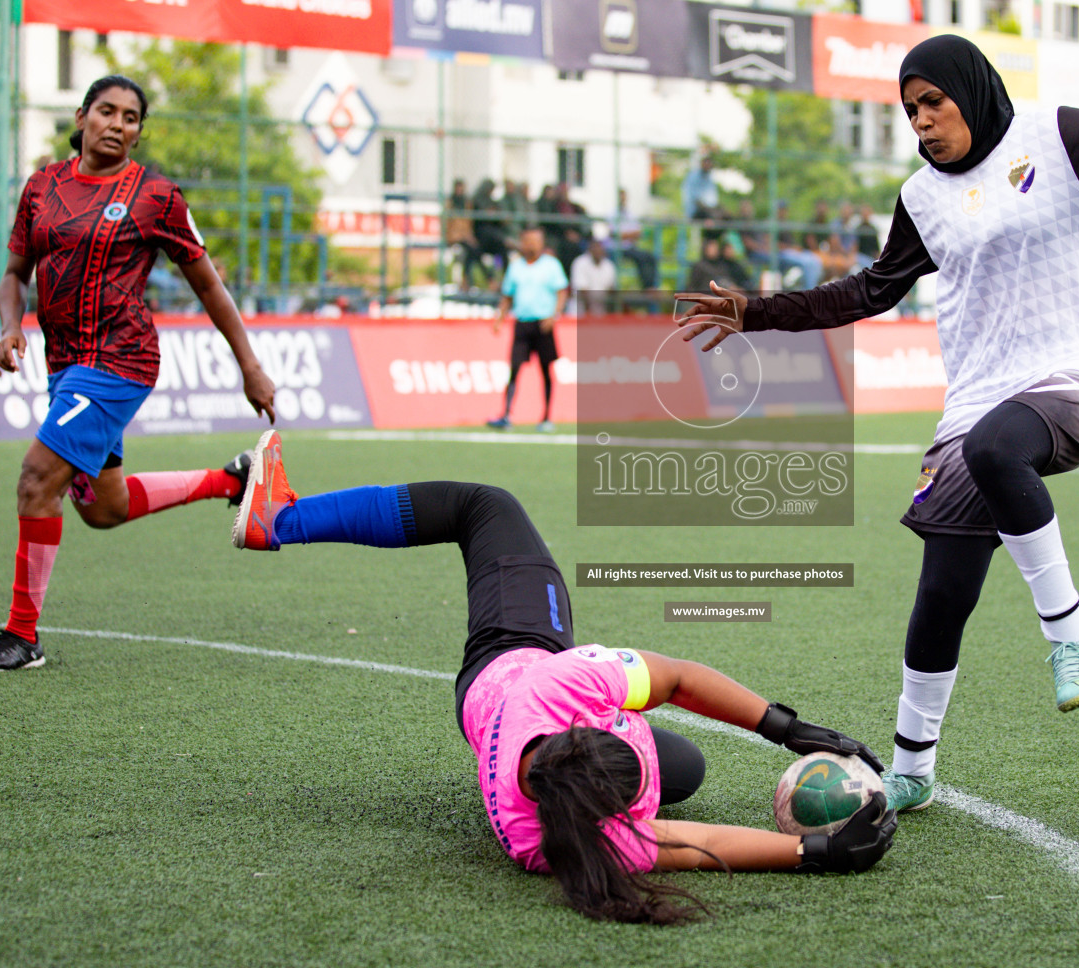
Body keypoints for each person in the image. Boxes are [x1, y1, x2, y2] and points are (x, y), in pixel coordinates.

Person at [679, 0, 1079, 812]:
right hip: (976, 400)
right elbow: (869, 292)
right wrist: (757, 313)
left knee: (995, 450)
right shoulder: (920, 198)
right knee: (942, 591)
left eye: (933, 103)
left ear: (970, 91)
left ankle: (1074, 642)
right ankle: (913, 768)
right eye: (910, 111)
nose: (922, 122)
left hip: (1076, 380)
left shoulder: (1056, 135)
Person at [229, 430, 898, 923]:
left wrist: (792, 736)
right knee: (685, 770)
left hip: (513, 655)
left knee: (484, 506)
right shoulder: (562, 828)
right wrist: (814, 848)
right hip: (485, 710)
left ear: (580, 734)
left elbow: (680, 684)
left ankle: (284, 518)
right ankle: (274, 520)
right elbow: (694, 844)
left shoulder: (561, 697)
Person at [0, 74, 277, 672]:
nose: (118, 124)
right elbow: (14, 273)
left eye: (131, 117)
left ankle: (21, 636)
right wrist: (9, 328)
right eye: (106, 112)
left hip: (120, 361)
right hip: (66, 367)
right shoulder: (43, 187)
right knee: (101, 508)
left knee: (37, 481)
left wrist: (250, 365)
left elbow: (206, 282)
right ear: (81, 118)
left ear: (138, 132)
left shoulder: (156, 196)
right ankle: (232, 480)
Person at [488, 226, 568, 432]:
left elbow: (562, 292)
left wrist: (554, 314)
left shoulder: (551, 265)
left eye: (535, 240)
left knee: (545, 370)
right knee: (514, 369)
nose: (531, 244)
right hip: (522, 324)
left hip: (543, 324)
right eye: (528, 240)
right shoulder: (516, 267)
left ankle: (546, 417)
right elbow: (507, 296)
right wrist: (499, 317)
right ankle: (506, 415)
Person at [607, 188, 660, 292]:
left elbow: (638, 233)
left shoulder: (630, 214)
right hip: (615, 248)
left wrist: (624, 235)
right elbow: (613, 234)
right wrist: (627, 235)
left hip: (629, 247)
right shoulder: (611, 213)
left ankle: (649, 287)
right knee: (640, 258)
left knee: (649, 257)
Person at [571, 236, 618, 317]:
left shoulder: (609, 265)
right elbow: (582, 291)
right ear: (590, 249)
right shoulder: (580, 263)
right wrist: (589, 314)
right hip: (580, 312)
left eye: (600, 247)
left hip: (601, 313)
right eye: (595, 247)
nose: (598, 250)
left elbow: (611, 290)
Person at [682, 152, 720, 220]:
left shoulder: (710, 178)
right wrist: (710, 209)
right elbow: (695, 199)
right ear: (701, 163)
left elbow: (713, 200)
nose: (708, 165)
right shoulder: (693, 176)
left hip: (708, 210)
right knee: (715, 217)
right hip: (695, 212)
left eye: (709, 163)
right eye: (706, 163)